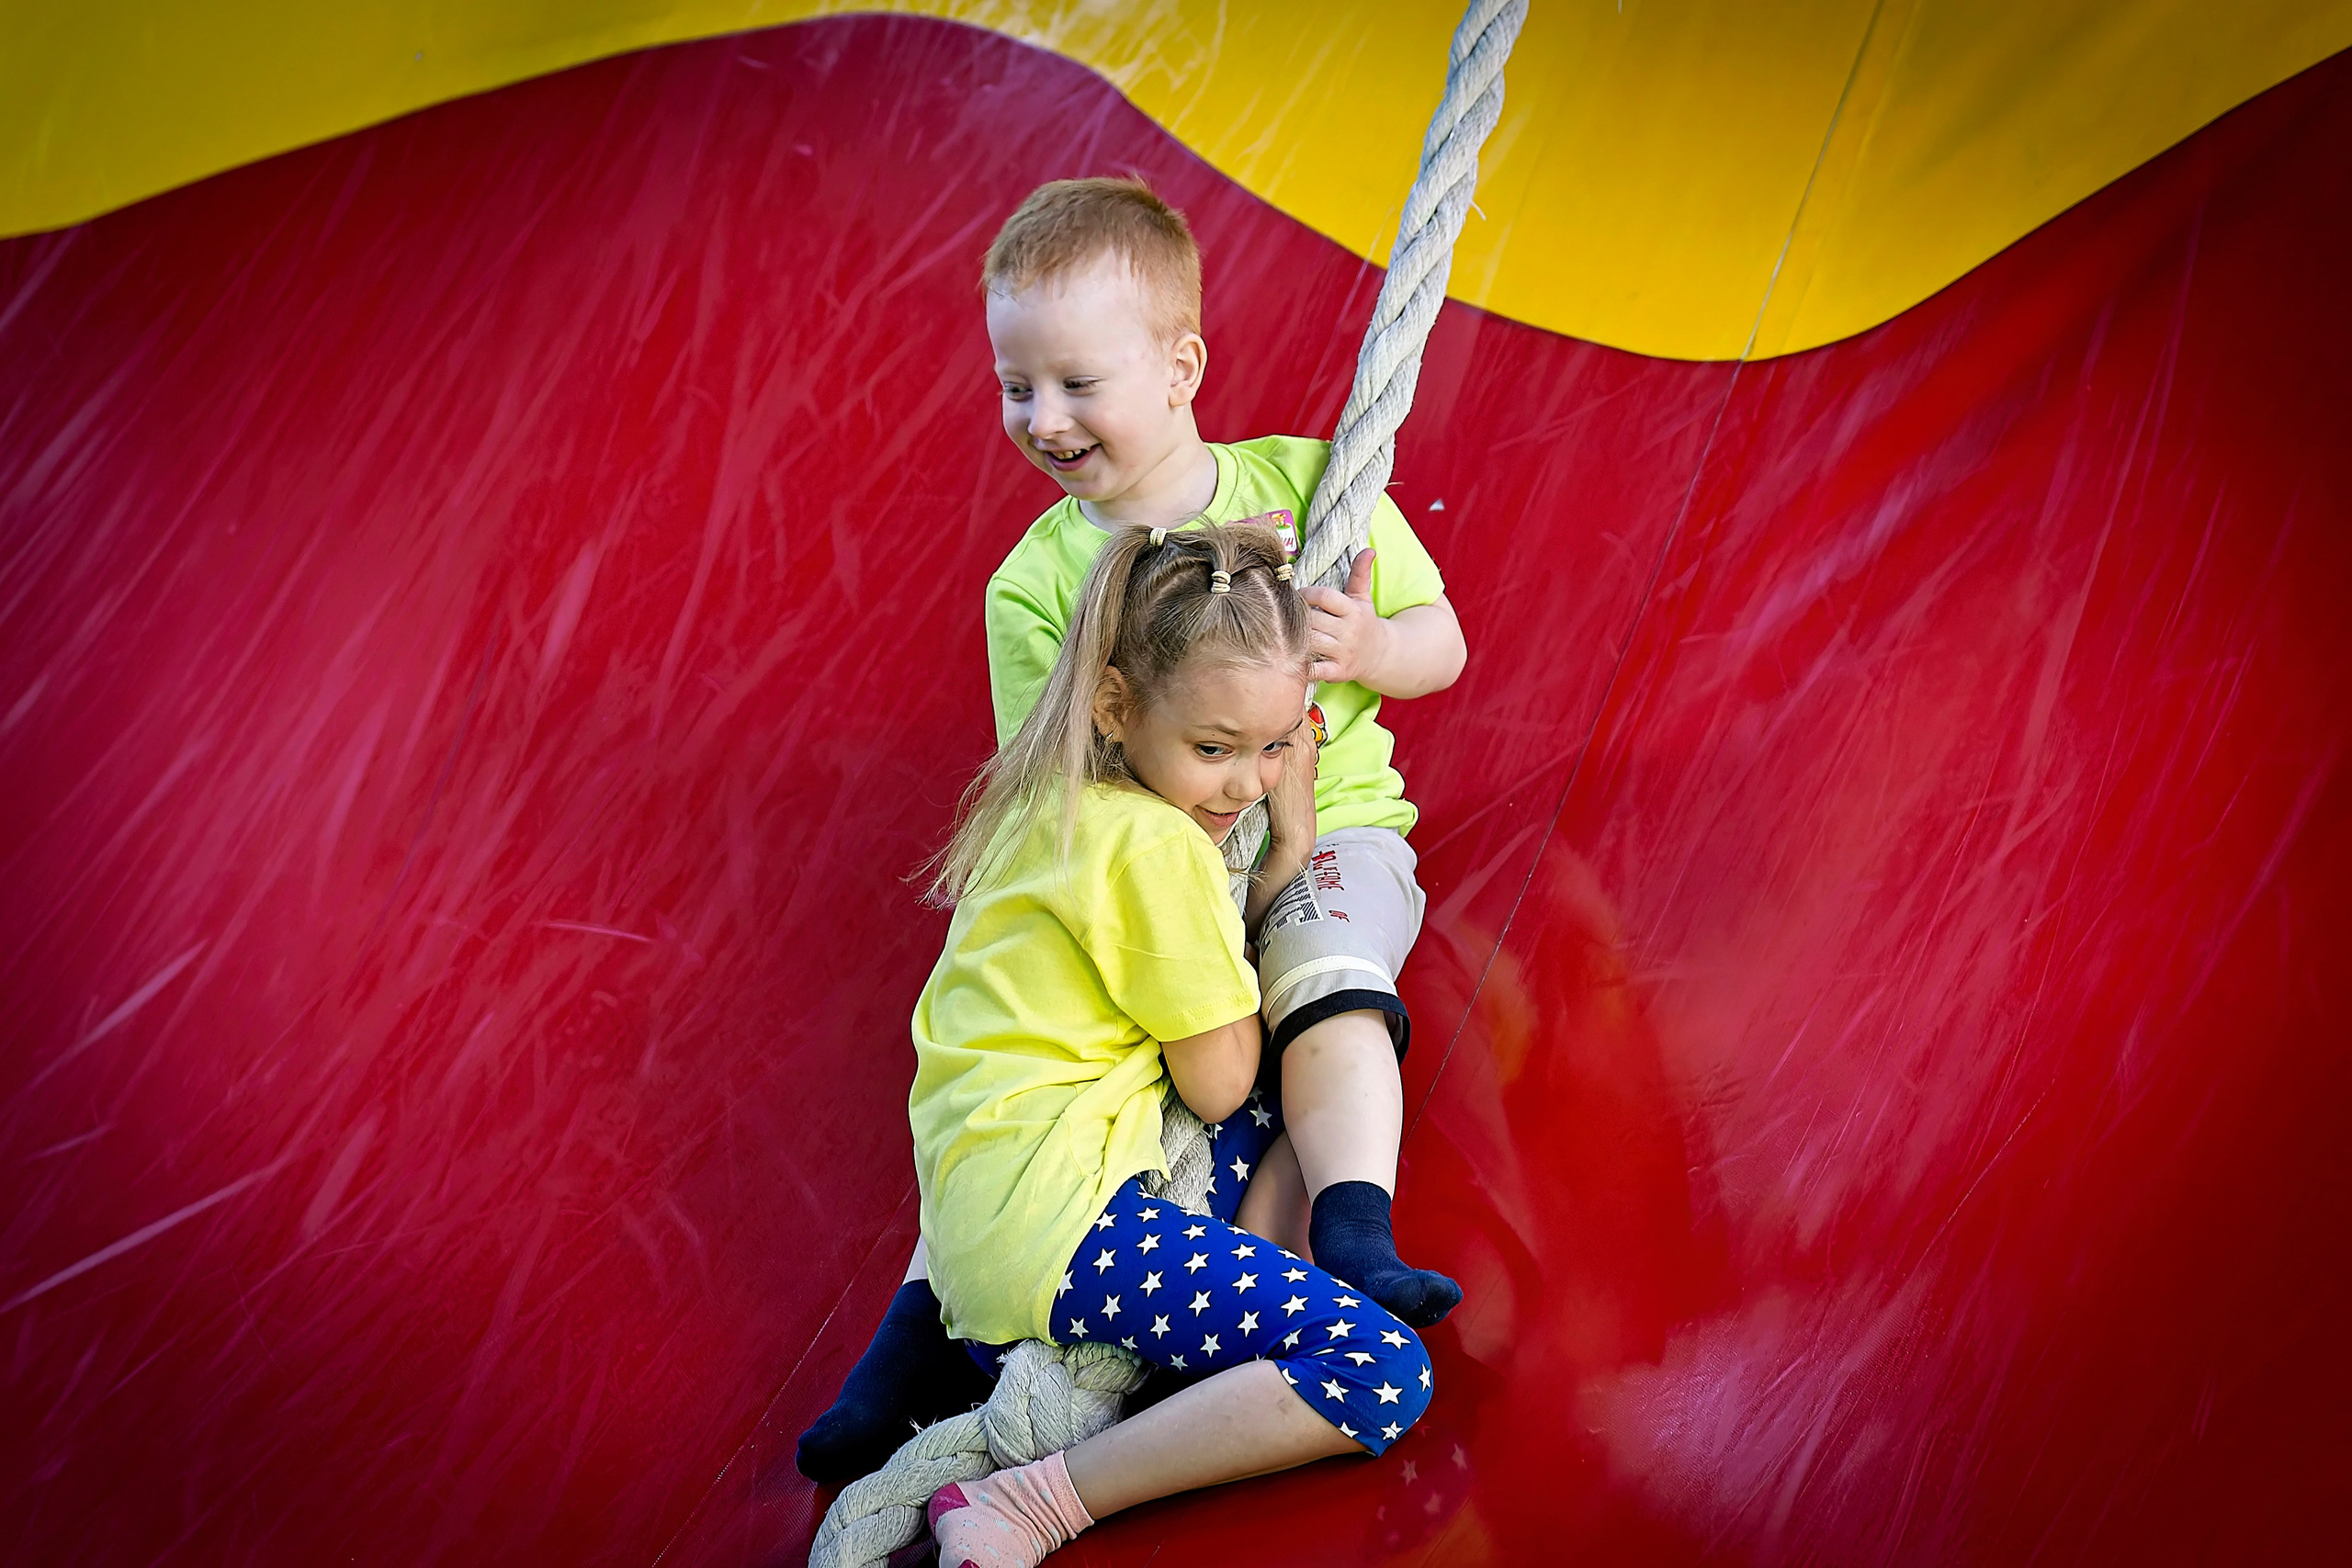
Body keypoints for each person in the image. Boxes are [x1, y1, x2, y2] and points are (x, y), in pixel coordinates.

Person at [979, 177, 1466, 1328]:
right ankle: (927, 1325)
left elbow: (1442, 645)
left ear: (1179, 371)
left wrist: (1371, 644)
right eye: (1016, 387)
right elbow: (1053, 791)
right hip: (1163, 878)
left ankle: (1354, 1229)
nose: (1045, 418)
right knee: (1019, 1045)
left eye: (1077, 384)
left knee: (1326, 985)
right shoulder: (1032, 585)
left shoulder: (1305, 485)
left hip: (1328, 829)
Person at [906, 522, 1433, 1567]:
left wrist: (1276, 853)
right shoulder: (1153, 847)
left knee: (1297, 1094)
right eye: (1214, 748)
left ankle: (1228, 1338)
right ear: (1115, 707)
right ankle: (1028, 1504)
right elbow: (1223, 1078)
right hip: (1061, 1229)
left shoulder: (1043, 808)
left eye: (1278, 746)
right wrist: (1289, 847)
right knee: (1378, 1368)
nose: (1247, 782)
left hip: (988, 1228)